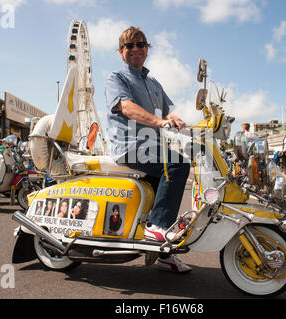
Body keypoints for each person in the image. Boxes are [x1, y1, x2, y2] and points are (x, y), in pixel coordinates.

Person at [105, 26, 191, 273]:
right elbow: (126, 107)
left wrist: (177, 120)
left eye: (140, 45)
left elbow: (167, 111)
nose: (135, 49)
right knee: (177, 163)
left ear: (147, 49)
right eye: (129, 46)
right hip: (130, 145)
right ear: (121, 52)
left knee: (167, 188)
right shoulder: (117, 78)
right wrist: (161, 122)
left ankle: (164, 255)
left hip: (151, 147)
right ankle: (157, 228)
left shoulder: (153, 82)